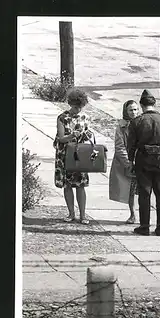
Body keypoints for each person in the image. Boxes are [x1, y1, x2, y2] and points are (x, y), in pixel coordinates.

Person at [127, 89, 160, 236]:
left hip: (143, 162)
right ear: (154, 104)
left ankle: (144, 227)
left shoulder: (136, 122)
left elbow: (131, 145)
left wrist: (131, 161)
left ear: (142, 106)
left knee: (145, 194)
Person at [53, 89, 93, 224]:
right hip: (65, 155)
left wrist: (87, 135)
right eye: (76, 107)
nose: (78, 110)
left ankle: (83, 215)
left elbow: (88, 134)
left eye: (80, 107)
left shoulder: (85, 117)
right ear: (71, 104)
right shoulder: (62, 118)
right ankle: (71, 214)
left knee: (80, 185)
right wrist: (71, 136)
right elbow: (61, 138)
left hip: (79, 154)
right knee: (68, 185)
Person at [109, 100, 140, 223]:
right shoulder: (121, 127)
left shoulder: (142, 123)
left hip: (142, 160)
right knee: (130, 190)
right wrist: (128, 163)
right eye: (131, 110)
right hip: (129, 162)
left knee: (143, 189)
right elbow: (120, 146)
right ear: (125, 111)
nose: (134, 112)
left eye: (136, 109)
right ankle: (133, 214)